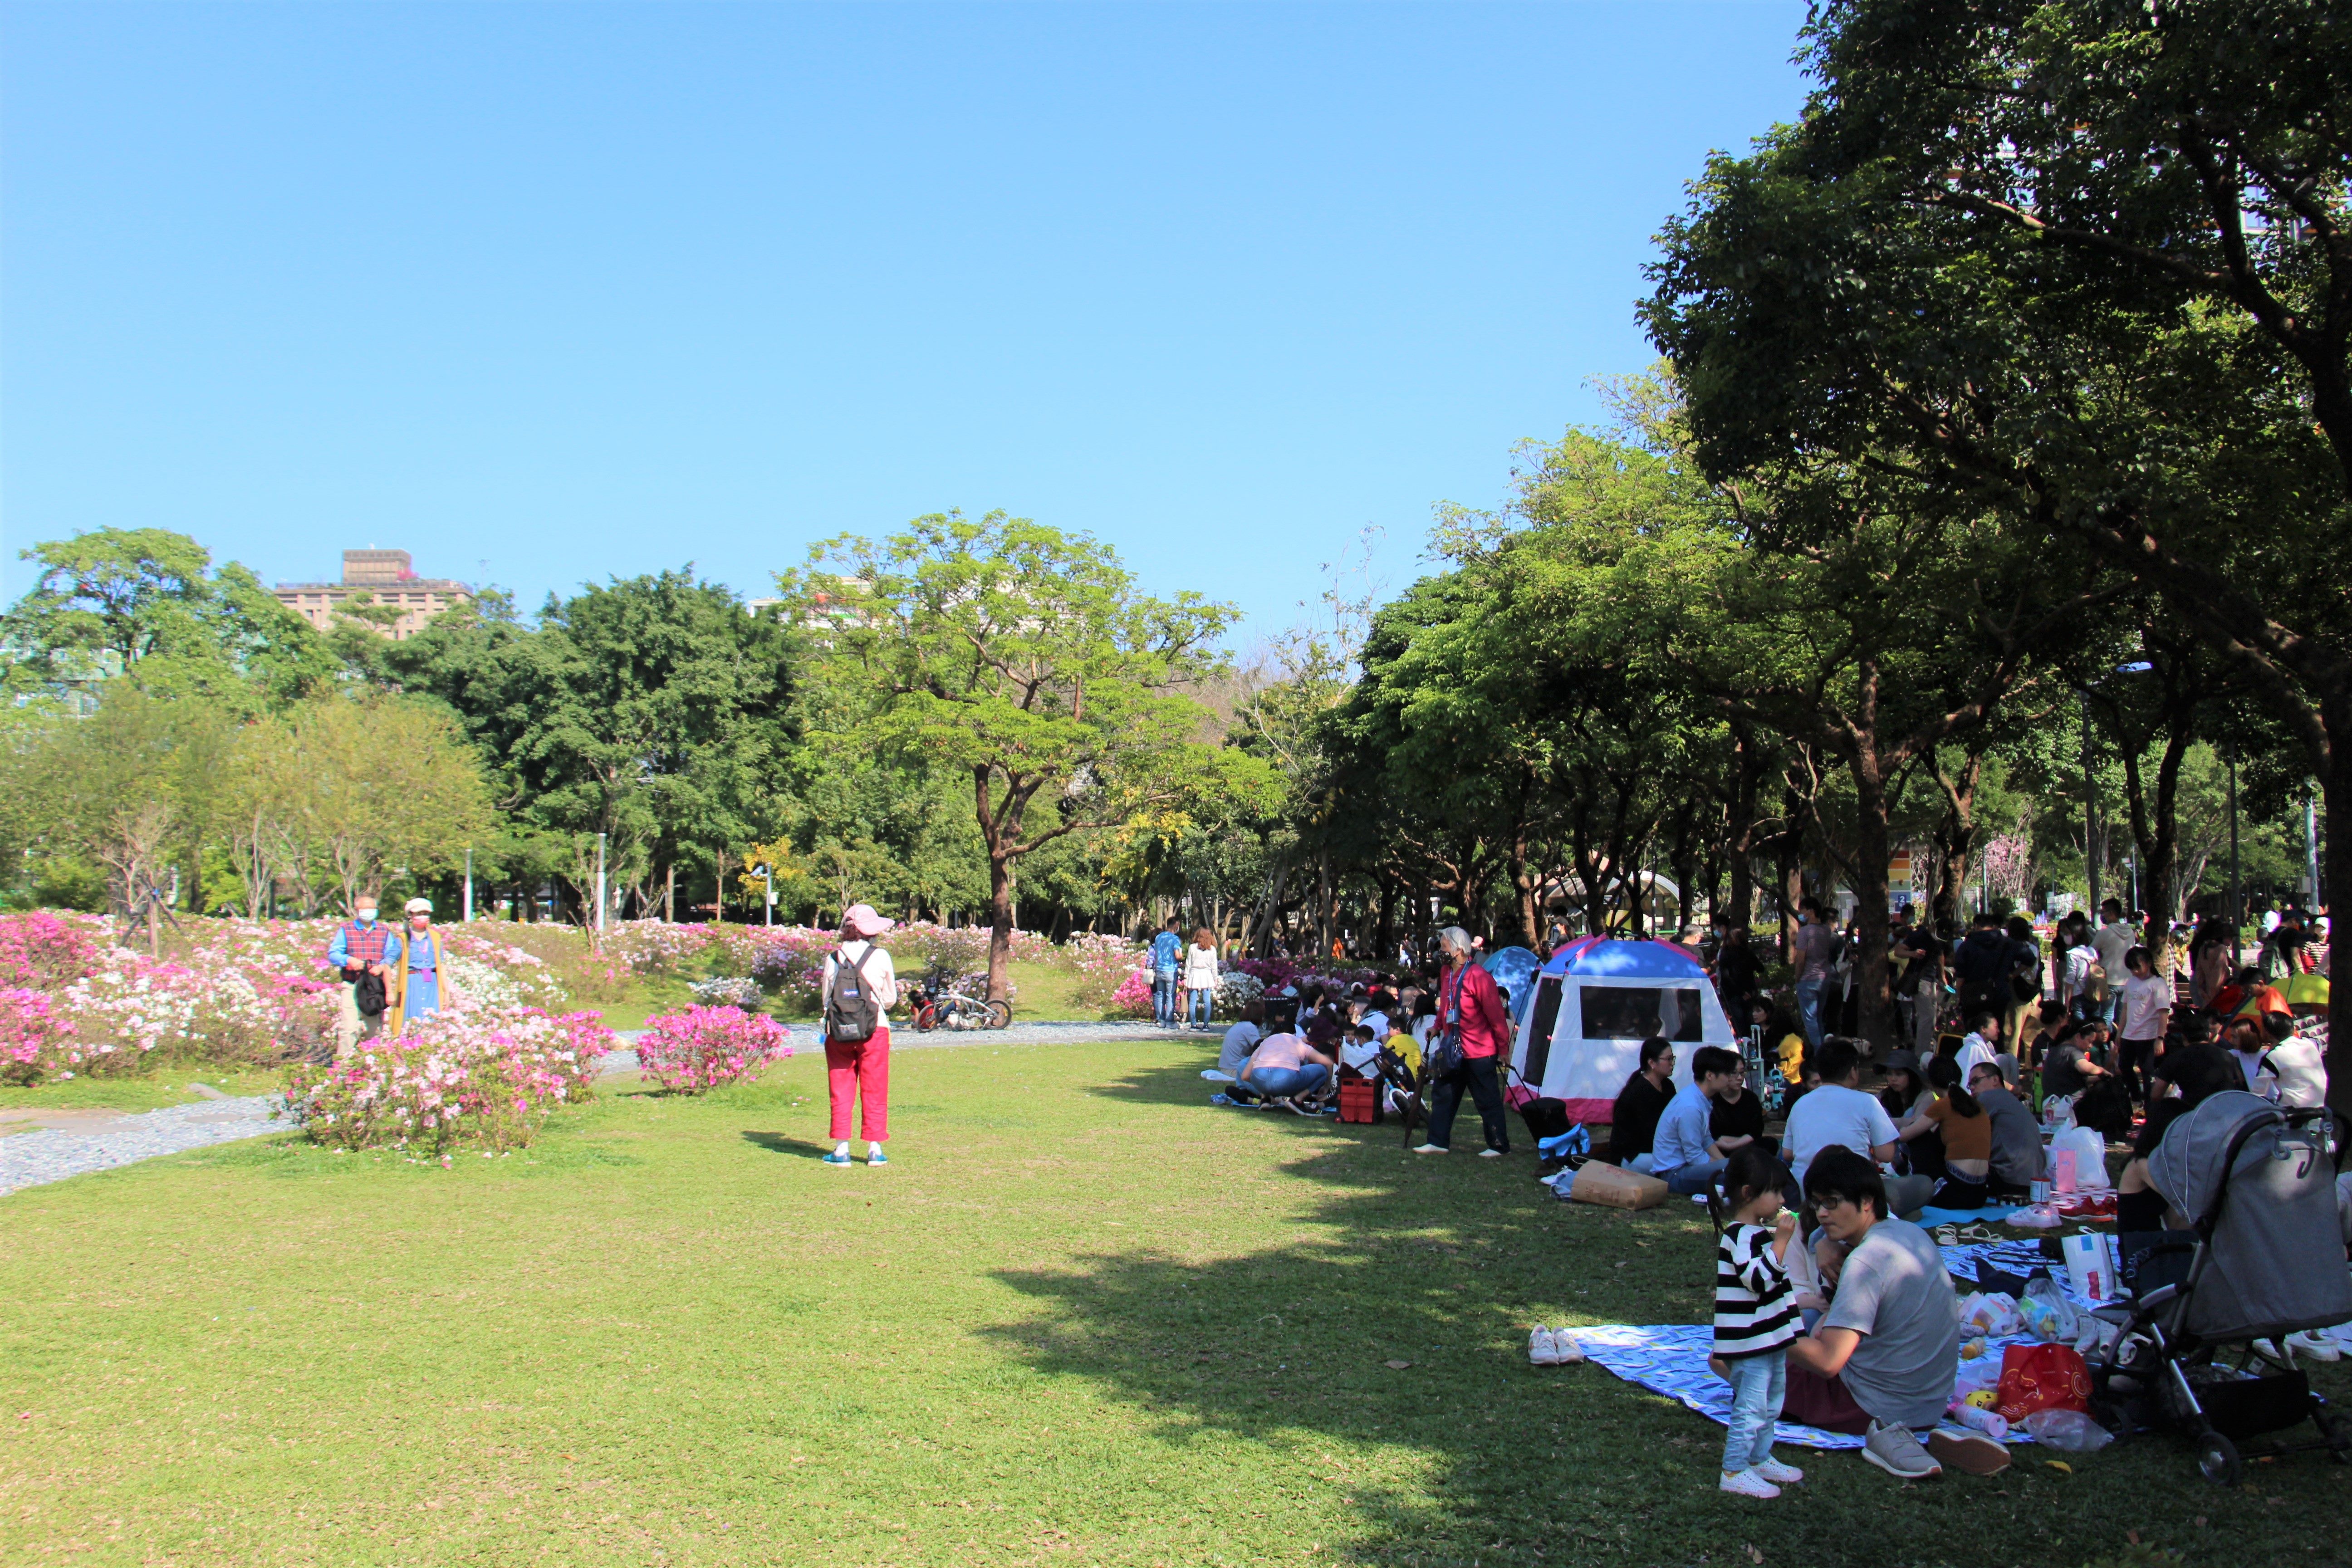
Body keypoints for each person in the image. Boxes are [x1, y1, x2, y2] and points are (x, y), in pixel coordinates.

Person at [1782, 1149, 2004, 1478]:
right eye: (1816, 1204)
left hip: (1872, 1405)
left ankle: (1888, 1438)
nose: (1822, 1214)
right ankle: (1919, 1437)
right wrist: (1823, 1242)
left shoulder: (1864, 1262)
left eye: (1831, 1202)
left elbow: (1828, 1362)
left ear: (1867, 1200)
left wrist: (1765, 1327)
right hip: (1930, 1403)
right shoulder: (1909, 1235)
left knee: (1741, 1363)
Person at [1710, 1142, 1805, 1499]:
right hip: (1749, 1341)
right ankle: (1734, 1470)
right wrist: (1781, 1243)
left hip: (1769, 1336)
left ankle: (1760, 1457)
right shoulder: (1738, 1237)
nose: (1781, 1199)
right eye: (1776, 1191)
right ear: (1750, 1194)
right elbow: (1759, 1281)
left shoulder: (1757, 1234)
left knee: (1772, 1400)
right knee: (1750, 1406)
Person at [1782, 1037, 1932, 1218]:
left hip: (1809, 1199)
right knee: (1924, 1184)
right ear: (1853, 1071)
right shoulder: (1866, 1101)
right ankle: (1887, 1212)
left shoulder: (1800, 1105)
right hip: (1853, 1198)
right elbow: (1886, 1154)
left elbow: (1788, 1154)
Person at [1413, 926, 1513, 1157]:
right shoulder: (1446, 973)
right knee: (1443, 1094)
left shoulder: (1480, 977)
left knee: (1487, 1099)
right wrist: (1437, 1027)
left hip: (1479, 1051)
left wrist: (1503, 1048)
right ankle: (1438, 1142)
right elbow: (1446, 1007)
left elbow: (1496, 1016)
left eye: (1445, 947)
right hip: (1452, 1049)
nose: (1441, 951)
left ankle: (1498, 1145)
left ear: (1459, 950)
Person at [820, 904, 900, 1167]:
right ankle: (875, 1149)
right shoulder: (881, 956)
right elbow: (889, 999)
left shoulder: (833, 958)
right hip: (874, 1029)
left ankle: (841, 1149)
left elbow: (826, 1000)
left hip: (839, 1032)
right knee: (874, 1088)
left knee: (840, 1088)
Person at [1650, 1045, 1754, 1195]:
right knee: (1741, 1172)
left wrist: (1725, 1164)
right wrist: (1726, 1167)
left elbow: (1706, 1140)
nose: (1730, 1079)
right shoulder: (1691, 1107)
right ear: (1710, 1076)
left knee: (1740, 1167)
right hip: (1674, 1176)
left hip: (1684, 1170)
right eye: (1727, 1074)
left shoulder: (1699, 1098)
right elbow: (1695, 1158)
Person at [1899, 1061, 1991, 1209]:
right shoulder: (1977, 1106)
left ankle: (1915, 1184)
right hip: (1980, 1194)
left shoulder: (1943, 1105)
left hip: (1955, 1193)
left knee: (1919, 1137)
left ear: (1932, 1084)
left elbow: (1905, 1136)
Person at [328, 896, 402, 1046]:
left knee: (374, 1029)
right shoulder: (346, 930)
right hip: (352, 984)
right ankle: (343, 1064)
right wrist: (349, 960)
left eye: (372, 909)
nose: (368, 912)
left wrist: (382, 966)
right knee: (349, 1028)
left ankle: (371, 1061)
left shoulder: (384, 931)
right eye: (364, 909)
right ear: (357, 910)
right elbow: (333, 954)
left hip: (374, 986)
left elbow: (392, 955)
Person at [1969, 1060, 2043, 1199]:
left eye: (1976, 1081)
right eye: (1970, 1085)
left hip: (2009, 1181)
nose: (1972, 1087)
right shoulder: (2011, 1101)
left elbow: (1965, 1132)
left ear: (1995, 1080)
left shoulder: (1989, 1097)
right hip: (2033, 1183)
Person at [389, 897, 463, 1033]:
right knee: (412, 1020)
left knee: (432, 1020)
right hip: (412, 983)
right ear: (411, 916)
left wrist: (446, 991)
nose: (423, 917)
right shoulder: (402, 939)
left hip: (431, 982)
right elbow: (388, 963)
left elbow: (440, 965)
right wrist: (389, 991)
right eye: (418, 914)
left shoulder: (435, 937)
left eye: (426, 914)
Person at [2112, 945, 2171, 1105]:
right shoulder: (2131, 983)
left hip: (2148, 1035)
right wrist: (2120, 1032)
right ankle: (2136, 1097)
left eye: (2138, 967)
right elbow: (2125, 1007)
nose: (2135, 972)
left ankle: (2150, 1105)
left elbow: (2163, 1013)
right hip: (2129, 1034)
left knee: (2147, 1073)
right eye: (2132, 968)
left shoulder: (2158, 984)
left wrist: (2160, 1038)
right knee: (2124, 1066)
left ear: (2149, 963)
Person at [1610, 1036, 1676, 1170]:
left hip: (1656, 1151)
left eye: (1672, 1058)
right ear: (1652, 1063)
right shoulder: (1638, 1092)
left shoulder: (1667, 1086)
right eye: (1668, 1059)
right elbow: (1650, 1133)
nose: (1672, 1063)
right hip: (1633, 1156)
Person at [1238, 1029, 1335, 1113]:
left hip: (1259, 1079)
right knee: (1322, 1070)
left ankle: (1265, 1098)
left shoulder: (1265, 1043)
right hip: (1286, 1079)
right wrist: (1326, 1087)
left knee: (1266, 1072)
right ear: (1294, 1034)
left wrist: (1264, 1087)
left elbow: (1245, 1076)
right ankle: (1298, 1099)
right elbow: (1328, 1063)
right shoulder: (1298, 1042)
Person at [1792, 900, 1836, 1049]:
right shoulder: (1826, 930)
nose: (1801, 914)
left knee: (1810, 1020)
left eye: (1802, 910)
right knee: (1818, 1018)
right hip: (1824, 978)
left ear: (1810, 911)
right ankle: (1823, 1050)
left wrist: (1797, 978)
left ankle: (1819, 1054)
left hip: (1808, 979)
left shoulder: (1805, 932)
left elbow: (1800, 960)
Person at [1711, 1061, 1770, 1157]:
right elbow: (1714, 1137)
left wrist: (1731, 1145)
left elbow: (1756, 1132)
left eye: (1742, 1073)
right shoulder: (1712, 1100)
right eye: (1734, 1073)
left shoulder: (1751, 1098)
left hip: (1747, 1145)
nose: (1739, 1078)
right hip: (1718, 1149)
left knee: (1770, 1143)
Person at [2091, 899, 2135, 1024]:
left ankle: (2107, 1042)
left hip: (2109, 981)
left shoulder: (2104, 933)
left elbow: (2091, 952)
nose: (2102, 916)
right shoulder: (2131, 933)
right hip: (2127, 980)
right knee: (2122, 1018)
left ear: (2111, 913)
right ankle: (2120, 1042)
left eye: (2103, 913)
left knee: (2107, 1016)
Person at [1182, 927, 1220, 1031]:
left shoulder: (1192, 948)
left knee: (1193, 1001)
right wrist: (1215, 978)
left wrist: (1186, 976)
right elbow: (1214, 966)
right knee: (1207, 1001)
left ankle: (1193, 1025)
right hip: (1207, 975)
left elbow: (1188, 963)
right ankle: (1206, 1025)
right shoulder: (1212, 949)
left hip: (1194, 975)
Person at [1218, 1000, 1266, 1080]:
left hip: (1227, 1069)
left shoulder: (1240, 1025)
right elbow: (1261, 1047)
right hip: (1234, 1070)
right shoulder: (1250, 1027)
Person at [1149, 918, 1184, 1027]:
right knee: (1170, 995)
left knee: (1160, 995)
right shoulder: (1175, 939)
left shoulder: (1159, 938)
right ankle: (1170, 1021)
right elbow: (1178, 956)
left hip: (1159, 969)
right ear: (1176, 924)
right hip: (1170, 970)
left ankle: (1161, 1020)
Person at [1955, 1012, 2001, 1083]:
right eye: (1996, 1027)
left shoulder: (1987, 1047)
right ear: (1983, 1029)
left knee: (2006, 1059)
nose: (1998, 1031)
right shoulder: (1974, 1048)